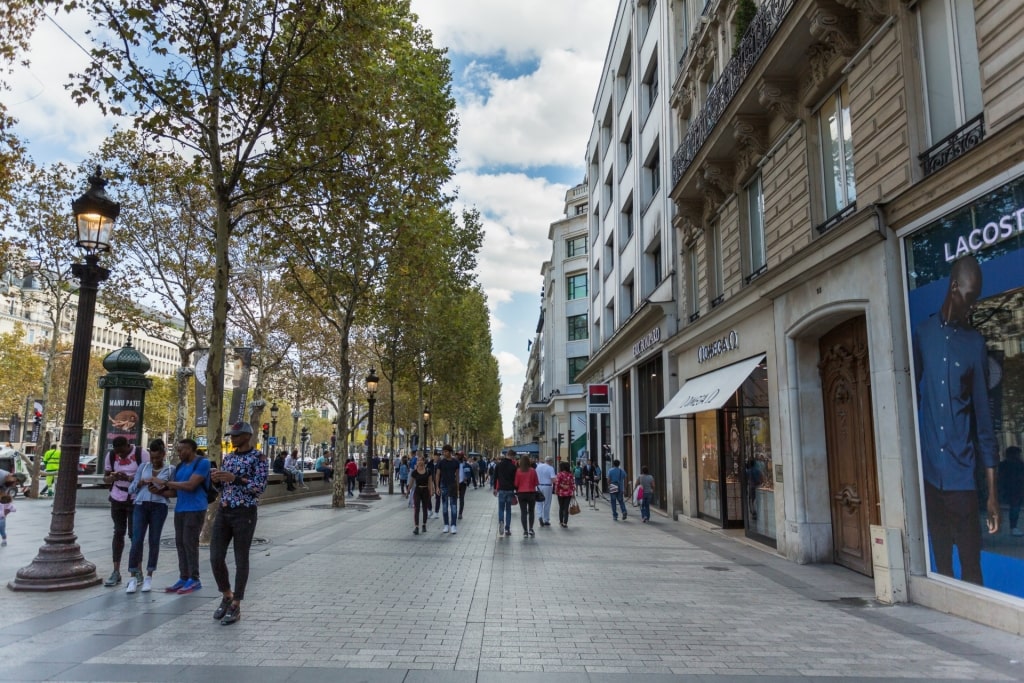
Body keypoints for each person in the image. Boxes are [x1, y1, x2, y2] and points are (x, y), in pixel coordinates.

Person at [913, 255, 998, 585]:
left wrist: (991, 494)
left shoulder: (974, 344)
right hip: (931, 479)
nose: (973, 306)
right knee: (942, 570)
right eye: (970, 296)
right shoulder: (922, 336)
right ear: (953, 289)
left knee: (972, 570)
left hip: (963, 480)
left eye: (976, 299)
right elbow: (912, 401)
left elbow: (985, 420)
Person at [210, 422, 269, 626]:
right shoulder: (229, 457)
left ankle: (236, 603)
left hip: (245, 512)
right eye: (231, 436)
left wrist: (235, 479)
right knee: (215, 556)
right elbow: (222, 488)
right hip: (224, 510)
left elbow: (259, 487)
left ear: (247, 436)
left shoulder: (259, 459)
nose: (232, 439)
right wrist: (217, 480)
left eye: (236, 435)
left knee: (241, 557)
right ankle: (226, 594)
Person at [153, 438, 210, 594]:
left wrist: (165, 482)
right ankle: (184, 577)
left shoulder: (202, 463)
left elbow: (191, 486)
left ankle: (194, 578)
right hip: (181, 509)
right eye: (178, 450)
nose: (179, 453)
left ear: (191, 449)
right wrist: (158, 490)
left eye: (182, 450)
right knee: (180, 542)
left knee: (189, 542)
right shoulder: (179, 467)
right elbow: (176, 492)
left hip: (196, 508)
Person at [125, 439, 174, 594]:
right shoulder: (143, 467)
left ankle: (149, 576)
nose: (154, 461)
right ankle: (133, 576)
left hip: (159, 506)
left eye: (158, 458)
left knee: (154, 540)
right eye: (152, 458)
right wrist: (140, 482)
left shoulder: (170, 469)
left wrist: (157, 483)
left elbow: (173, 490)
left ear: (163, 455)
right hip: (141, 505)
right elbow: (131, 489)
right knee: (137, 539)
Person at [102, 437, 149, 587]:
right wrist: (112, 477)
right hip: (117, 497)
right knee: (118, 532)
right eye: (117, 453)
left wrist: (130, 478)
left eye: (122, 452)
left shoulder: (141, 454)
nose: (120, 455)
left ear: (128, 446)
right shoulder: (111, 456)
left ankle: (137, 570)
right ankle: (116, 571)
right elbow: (106, 478)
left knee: (135, 535)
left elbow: (147, 477)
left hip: (136, 498)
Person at [435, 444, 461, 534]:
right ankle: (446, 524)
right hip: (443, 485)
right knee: (445, 506)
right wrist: (437, 487)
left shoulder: (455, 462)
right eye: (443, 451)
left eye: (446, 451)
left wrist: (458, 488)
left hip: (453, 485)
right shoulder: (441, 462)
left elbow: (457, 476)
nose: (444, 453)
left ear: (450, 452)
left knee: (453, 506)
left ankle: (453, 525)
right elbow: (437, 474)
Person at [999, 446, 1024, 537]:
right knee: (1015, 508)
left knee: (1015, 508)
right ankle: (1013, 527)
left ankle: (1013, 527)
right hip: (1015, 489)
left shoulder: (1004, 464)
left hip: (1013, 489)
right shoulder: (1018, 464)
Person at [493, 449, 518, 537]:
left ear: (506, 454)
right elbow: (515, 480)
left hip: (501, 489)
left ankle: (501, 521)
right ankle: (507, 528)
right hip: (510, 490)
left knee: (501, 508)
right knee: (508, 510)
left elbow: (495, 477)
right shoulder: (513, 467)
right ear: (512, 456)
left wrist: (495, 489)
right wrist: (516, 490)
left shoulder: (499, 465)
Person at [514, 455, 540, 537]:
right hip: (531, 493)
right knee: (531, 511)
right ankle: (531, 529)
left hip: (521, 493)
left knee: (523, 512)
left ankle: (525, 531)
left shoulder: (518, 471)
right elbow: (537, 483)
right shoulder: (533, 471)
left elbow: (516, 484)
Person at [409, 456, 434, 534]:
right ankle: (416, 527)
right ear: (417, 462)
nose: (420, 461)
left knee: (424, 508)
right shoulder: (414, 472)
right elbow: (411, 482)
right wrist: (407, 491)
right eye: (418, 460)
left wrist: (431, 491)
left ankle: (424, 525)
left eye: (421, 460)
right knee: (417, 509)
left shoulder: (428, 471)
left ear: (424, 461)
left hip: (425, 490)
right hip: (417, 490)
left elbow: (430, 482)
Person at [534, 456, 556, 527]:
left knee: (539, 502)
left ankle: (540, 516)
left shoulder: (538, 467)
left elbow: (535, 476)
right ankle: (546, 519)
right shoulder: (550, 468)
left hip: (539, 486)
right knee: (547, 503)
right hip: (547, 486)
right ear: (550, 461)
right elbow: (553, 479)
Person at [553, 461, 575, 528]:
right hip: (568, 493)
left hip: (561, 493)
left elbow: (557, 483)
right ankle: (565, 522)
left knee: (561, 507)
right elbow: (572, 484)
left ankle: (561, 521)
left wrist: (556, 490)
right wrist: (573, 492)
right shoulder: (570, 475)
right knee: (566, 508)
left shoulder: (559, 474)